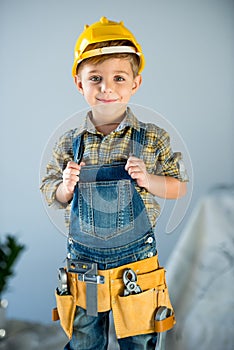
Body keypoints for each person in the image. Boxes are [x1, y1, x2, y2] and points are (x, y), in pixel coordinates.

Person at [40, 16, 188, 350]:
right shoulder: (70, 143)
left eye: (118, 78)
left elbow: (179, 187)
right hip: (85, 268)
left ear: (135, 83)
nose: (107, 87)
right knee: (85, 342)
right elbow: (53, 194)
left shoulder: (152, 138)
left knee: (138, 341)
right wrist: (65, 186)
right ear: (79, 83)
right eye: (96, 78)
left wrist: (148, 179)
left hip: (134, 269)